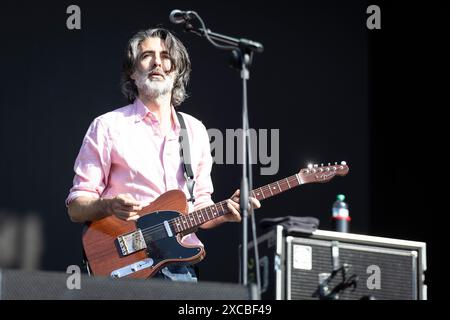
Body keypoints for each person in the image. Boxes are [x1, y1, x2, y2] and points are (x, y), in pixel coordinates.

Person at [66, 27, 260, 282]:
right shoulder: (107, 126)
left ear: (177, 70)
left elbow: (199, 206)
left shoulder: (195, 130)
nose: (158, 61)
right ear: (132, 72)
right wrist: (109, 205)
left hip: (180, 270)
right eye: (147, 55)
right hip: (126, 268)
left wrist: (225, 211)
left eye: (166, 56)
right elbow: (76, 208)